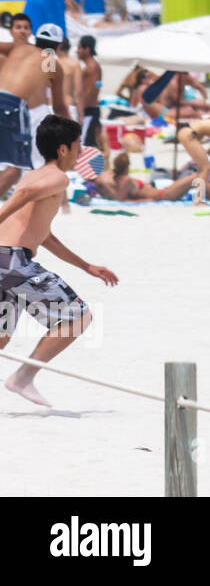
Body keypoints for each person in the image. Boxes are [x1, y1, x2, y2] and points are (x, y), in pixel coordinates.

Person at [0, 116, 116, 406]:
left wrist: (86, 266)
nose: (80, 152)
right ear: (63, 149)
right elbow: (23, 195)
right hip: (12, 261)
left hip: (5, 259)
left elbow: (43, 235)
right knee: (78, 316)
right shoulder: (58, 177)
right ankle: (23, 378)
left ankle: (22, 378)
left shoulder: (36, 175)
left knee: (1, 337)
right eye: (78, 146)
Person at [0, 23, 69, 199]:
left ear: (35, 39)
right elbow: (60, 106)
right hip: (12, 106)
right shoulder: (51, 62)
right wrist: (72, 132)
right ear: (58, 46)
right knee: (15, 169)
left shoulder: (19, 48)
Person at [77, 35, 104, 153]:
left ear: (87, 50)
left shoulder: (92, 67)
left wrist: (81, 111)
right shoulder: (92, 66)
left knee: (87, 149)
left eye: (79, 48)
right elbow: (97, 86)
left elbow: (90, 91)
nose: (76, 51)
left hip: (88, 112)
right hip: (90, 110)